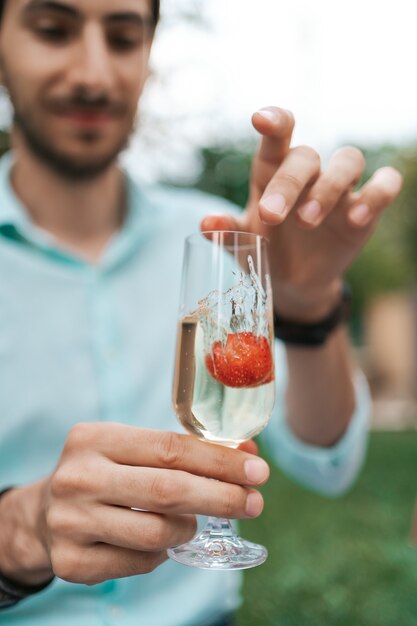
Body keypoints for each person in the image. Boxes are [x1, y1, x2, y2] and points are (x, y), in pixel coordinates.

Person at [0, 0, 403, 624]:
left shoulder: (212, 238)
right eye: (53, 30)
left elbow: (326, 461)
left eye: (124, 37)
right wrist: (18, 531)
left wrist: (305, 306)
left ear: (151, 53)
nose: (94, 73)